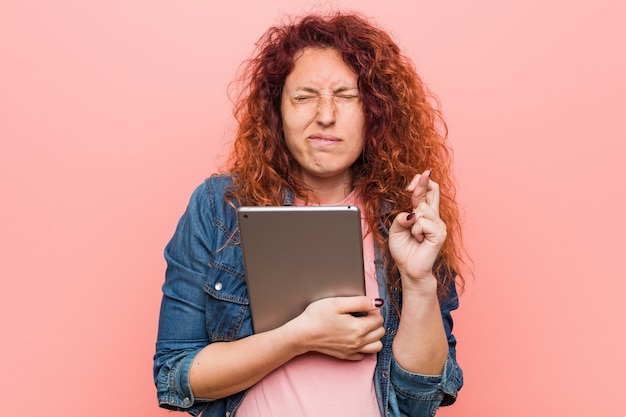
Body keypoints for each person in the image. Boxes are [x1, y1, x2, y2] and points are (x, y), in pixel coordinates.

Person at [154, 11, 466, 417]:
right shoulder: (220, 206)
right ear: (276, 110)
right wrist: (300, 336)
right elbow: (175, 376)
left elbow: (419, 401)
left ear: (375, 112)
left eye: (347, 96)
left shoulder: (407, 218)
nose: (325, 115)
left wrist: (419, 280)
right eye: (304, 96)